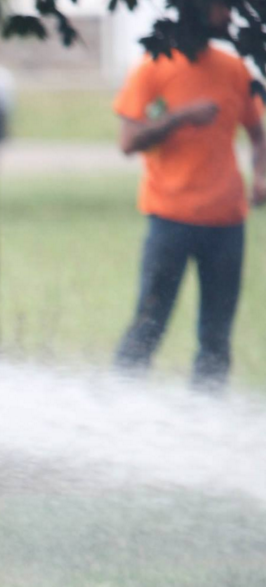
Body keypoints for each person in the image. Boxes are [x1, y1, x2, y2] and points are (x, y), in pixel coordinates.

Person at [113, 0, 265, 391]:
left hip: (226, 223)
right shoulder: (153, 67)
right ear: (196, 9)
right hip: (170, 220)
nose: (230, 16)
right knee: (150, 322)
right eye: (221, 7)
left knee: (216, 336)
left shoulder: (234, 70)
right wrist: (181, 117)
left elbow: (259, 132)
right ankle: (120, 409)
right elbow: (128, 141)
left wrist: (261, 175)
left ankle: (206, 419)